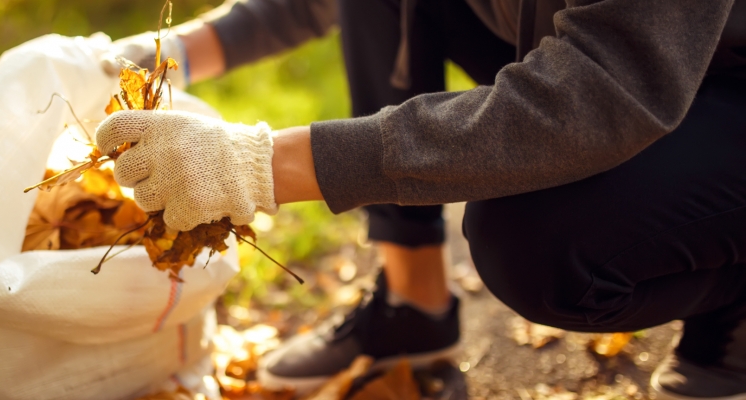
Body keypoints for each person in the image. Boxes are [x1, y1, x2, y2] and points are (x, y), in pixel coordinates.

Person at [97, 0, 746, 398]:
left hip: (706, 86)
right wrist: (169, 55)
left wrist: (264, 165)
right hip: (624, 67)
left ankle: (732, 304)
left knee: (536, 242)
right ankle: (414, 307)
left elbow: (601, 88)